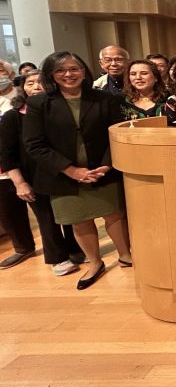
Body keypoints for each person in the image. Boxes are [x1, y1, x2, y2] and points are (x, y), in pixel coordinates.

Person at [23, 51, 131, 290]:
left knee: (113, 214)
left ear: (84, 71)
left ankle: (125, 256)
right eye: (61, 70)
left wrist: (107, 164)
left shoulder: (104, 99)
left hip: (103, 169)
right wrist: (71, 170)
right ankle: (95, 262)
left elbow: (117, 133)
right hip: (62, 175)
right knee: (79, 220)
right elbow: (34, 144)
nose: (68, 74)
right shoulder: (38, 103)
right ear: (51, 74)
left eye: (74, 69)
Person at [0, 71, 83, 273]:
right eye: (30, 83)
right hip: (33, 176)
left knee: (70, 212)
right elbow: (6, 154)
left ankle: (77, 250)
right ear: (23, 88)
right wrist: (20, 183)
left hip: (63, 171)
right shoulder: (13, 116)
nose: (36, 87)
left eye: (41, 82)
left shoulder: (59, 110)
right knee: (46, 218)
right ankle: (58, 257)